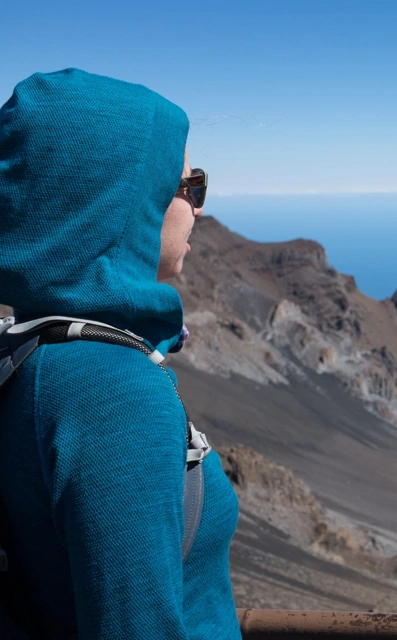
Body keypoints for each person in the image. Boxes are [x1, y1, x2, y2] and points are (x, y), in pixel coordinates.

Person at [0, 69, 241, 638]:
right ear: (119, 202)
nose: (200, 210)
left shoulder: (31, 348)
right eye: (188, 187)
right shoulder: (112, 389)